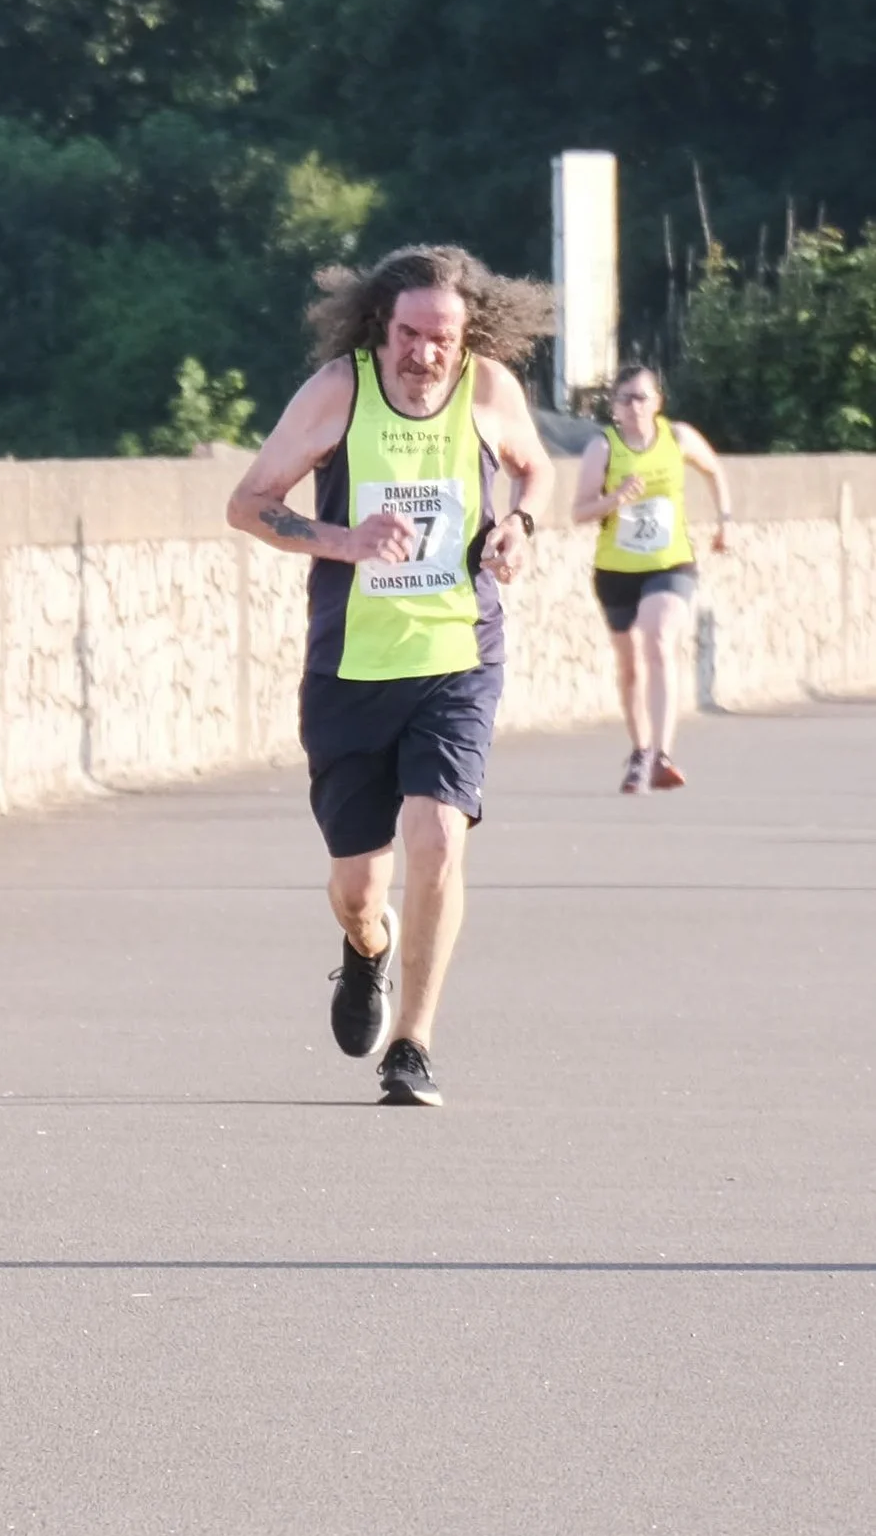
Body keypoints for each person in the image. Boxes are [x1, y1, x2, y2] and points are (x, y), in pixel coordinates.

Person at [225, 246, 553, 1108]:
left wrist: (520, 526)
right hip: (351, 667)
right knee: (358, 889)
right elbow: (247, 503)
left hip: (457, 655)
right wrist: (346, 541)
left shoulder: (489, 390)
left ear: (468, 335)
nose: (425, 354)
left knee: (439, 835)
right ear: (382, 324)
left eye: (443, 337)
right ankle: (366, 946)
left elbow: (536, 467)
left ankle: (412, 1045)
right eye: (410, 334)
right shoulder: (339, 392)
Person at [570, 363, 734, 794]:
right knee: (630, 668)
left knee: (658, 638)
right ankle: (640, 750)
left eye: (642, 397)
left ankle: (663, 754)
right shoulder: (602, 448)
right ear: (614, 407)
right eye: (624, 399)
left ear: (658, 402)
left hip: (670, 563)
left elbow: (714, 470)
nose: (634, 406)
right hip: (616, 570)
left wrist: (725, 521)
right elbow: (579, 511)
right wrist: (614, 499)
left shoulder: (678, 438)